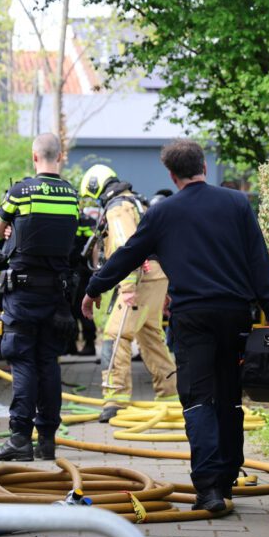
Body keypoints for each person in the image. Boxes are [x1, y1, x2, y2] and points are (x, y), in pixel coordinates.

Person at [81, 141, 269, 513]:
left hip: (192, 317)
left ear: (172, 175)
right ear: (203, 165)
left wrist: (94, 289)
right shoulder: (236, 204)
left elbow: (127, 254)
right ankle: (227, 479)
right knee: (229, 397)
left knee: (198, 399)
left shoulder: (163, 213)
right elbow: (259, 257)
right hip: (235, 314)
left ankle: (208, 490)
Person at [0, 132, 80, 462]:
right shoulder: (71, 195)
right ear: (60, 156)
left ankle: (20, 439)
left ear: (34, 156)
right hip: (57, 295)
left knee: (23, 362)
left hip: (22, 295)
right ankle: (48, 441)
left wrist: (12, 230)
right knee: (48, 363)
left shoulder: (20, 192)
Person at [79, 164, 176, 423]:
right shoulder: (135, 201)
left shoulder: (118, 207)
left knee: (115, 335)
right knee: (151, 337)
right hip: (156, 275)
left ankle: (115, 400)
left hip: (139, 278)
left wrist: (128, 287)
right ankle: (170, 396)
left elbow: (126, 248)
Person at [66, 208, 98, 356]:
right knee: (69, 308)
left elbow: (94, 246)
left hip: (81, 271)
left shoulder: (85, 221)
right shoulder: (67, 219)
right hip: (68, 270)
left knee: (81, 307)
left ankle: (89, 343)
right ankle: (70, 344)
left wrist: (95, 268)